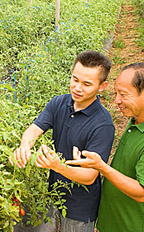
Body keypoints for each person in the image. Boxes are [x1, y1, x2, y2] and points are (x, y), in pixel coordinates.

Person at [66, 63, 144, 232]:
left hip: (132, 226)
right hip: (114, 222)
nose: (116, 101)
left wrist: (101, 167)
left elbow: (142, 192)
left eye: (124, 95)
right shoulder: (137, 120)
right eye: (116, 93)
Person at [10, 50, 115, 232]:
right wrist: (24, 146)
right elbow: (34, 129)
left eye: (87, 84)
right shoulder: (59, 103)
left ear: (102, 86)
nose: (78, 88)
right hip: (55, 194)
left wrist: (57, 166)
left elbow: (90, 177)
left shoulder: (102, 125)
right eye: (75, 79)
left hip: (80, 207)